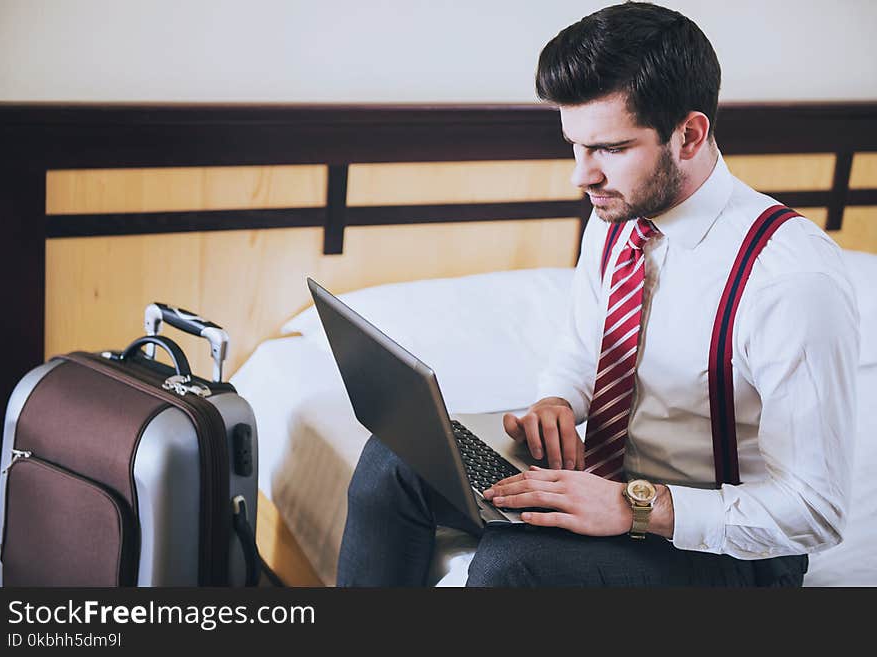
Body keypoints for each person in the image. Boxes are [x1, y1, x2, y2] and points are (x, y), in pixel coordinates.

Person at [336, 1, 859, 587]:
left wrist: (634, 506)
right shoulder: (617, 215)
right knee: (393, 460)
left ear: (688, 135)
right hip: (605, 490)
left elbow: (815, 510)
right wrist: (558, 401)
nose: (581, 175)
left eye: (609, 149)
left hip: (724, 551)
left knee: (511, 569)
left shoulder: (790, 279)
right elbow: (586, 350)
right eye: (574, 146)